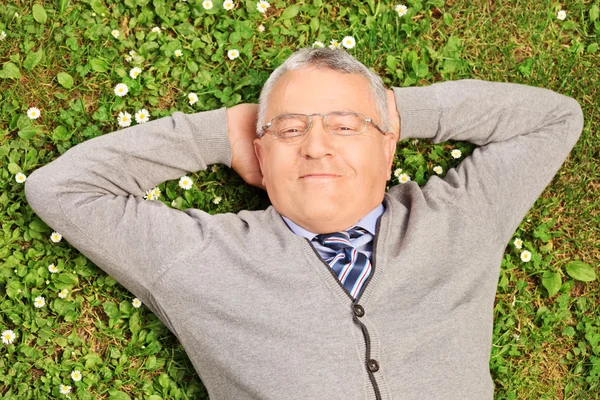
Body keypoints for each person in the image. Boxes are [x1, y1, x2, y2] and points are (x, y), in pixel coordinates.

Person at [24, 47, 584, 399]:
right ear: (259, 156)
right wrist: (221, 131)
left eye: (344, 127)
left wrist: (399, 109)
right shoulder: (200, 260)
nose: (316, 146)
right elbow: (61, 189)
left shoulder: (461, 218)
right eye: (290, 130)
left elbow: (554, 118)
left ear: (388, 149)